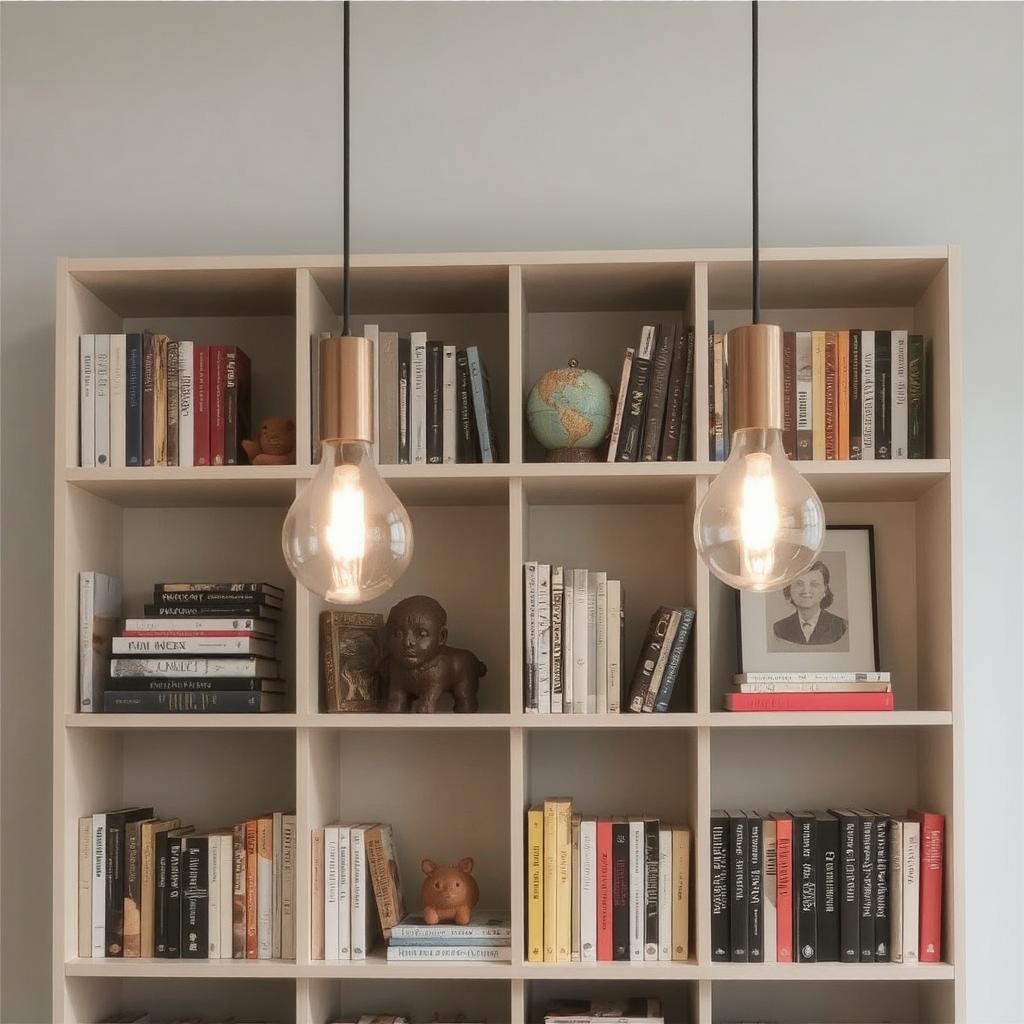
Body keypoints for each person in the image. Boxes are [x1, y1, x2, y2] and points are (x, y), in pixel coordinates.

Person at [772, 560, 848, 646]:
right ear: (789, 589)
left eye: (814, 584)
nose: (806, 591)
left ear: (825, 590)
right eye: (799, 584)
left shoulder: (841, 626)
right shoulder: (779, 628)